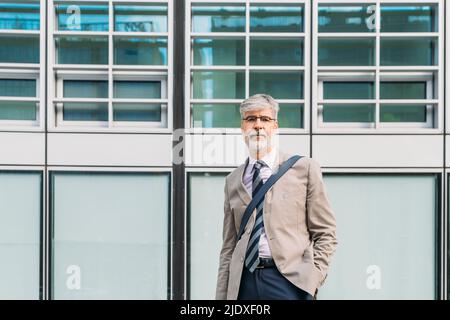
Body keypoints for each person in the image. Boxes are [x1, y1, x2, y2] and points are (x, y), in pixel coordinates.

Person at [216, 94, 338, 300]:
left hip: (289, 281)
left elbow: (326, 233)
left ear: (275, 126)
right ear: (242, 127)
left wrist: (312, 279)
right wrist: (222, 296)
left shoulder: (304, 169)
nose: (258, 125)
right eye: (251, 119)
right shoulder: (233, 180)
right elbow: (228, 247)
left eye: (265, 119)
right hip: (244, 283)